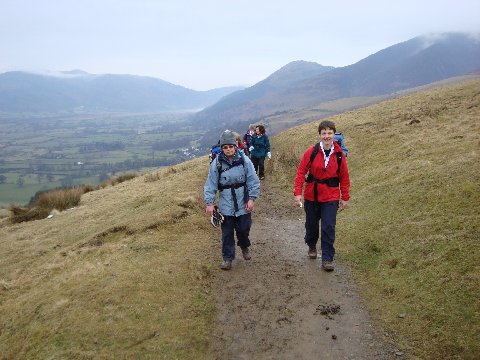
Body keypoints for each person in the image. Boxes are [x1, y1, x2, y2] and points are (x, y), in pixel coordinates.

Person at [293, 120, 350, 271]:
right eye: (324, 133)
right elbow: (300, 173)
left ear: (334, 134)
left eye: (329, 133)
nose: (326, 136)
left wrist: (345, 197)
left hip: (331, 196)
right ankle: (311, 245)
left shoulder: (339, 155)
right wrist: (298, 193)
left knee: (328, 227)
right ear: (319, 134)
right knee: (311, 225)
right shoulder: (311, 152)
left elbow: (344, 177)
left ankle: (327, 258)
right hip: (312, 195)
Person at [204, 130, 261, 270]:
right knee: (227, 233)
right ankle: (227, 258)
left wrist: (252, 199)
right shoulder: (216, 164)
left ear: (235, 146)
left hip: (243, 203)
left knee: (244, 229)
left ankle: (244, 246)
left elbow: (253, 181)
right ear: (222, 148)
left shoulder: (245, 161)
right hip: (226, 205)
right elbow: (210, 184)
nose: (228, 149)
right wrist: (209, 203)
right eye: (225, 147)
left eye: (230, 146)